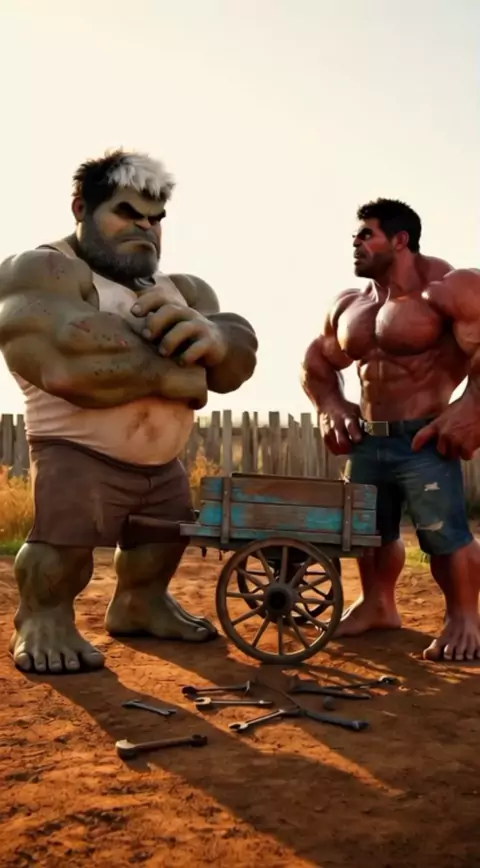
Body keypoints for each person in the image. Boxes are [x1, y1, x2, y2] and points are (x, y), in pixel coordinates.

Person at [0, 149, 258, 675]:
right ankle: (43, 618)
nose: (146, 227)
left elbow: (236, 358)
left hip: (162, 464)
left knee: (162, 538)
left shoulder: (183, 289)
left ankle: (141, 603)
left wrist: (214, 337)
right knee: (63, 545)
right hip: (77, 452)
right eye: (127, 212)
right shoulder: (42, 269)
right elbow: (71, 361)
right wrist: (186, 372)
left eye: (156, 218)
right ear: (81, 208)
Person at [302, 197, 480, 662]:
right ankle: (377, 604)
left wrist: (471, 407)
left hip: (424, 438)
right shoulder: (351, 304)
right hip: (369, 439)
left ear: (400, 240)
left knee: (444, 535)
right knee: (369, 532)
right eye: (355, 236)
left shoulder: (450, 288)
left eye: (367, 235)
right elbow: (318, 359)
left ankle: (464, 617)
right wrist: (330, 404)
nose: (356, 243)